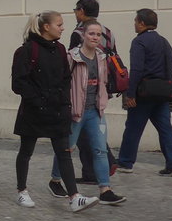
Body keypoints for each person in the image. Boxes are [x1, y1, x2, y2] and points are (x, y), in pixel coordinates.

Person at [10, 10, 99, 212]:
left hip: (58, 111)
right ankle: (22, 190)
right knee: (26, 151)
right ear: (46, 27)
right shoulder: (26, 51)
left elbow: (66, 78)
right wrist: (38, 101)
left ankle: (74, 197)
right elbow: (19, 83)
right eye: (59, 25)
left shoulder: (59, 49)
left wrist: (64, 103)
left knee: (64, 153)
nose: (62, 28)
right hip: (33, 111)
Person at [50, 18, 125, 205]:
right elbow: (61, 83)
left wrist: (103, 100)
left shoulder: (101, 57)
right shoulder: (71, 57)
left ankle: (105, 190)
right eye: (91, 33)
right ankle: (55, 180)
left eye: (98, 34)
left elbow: (103, 82)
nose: (95, 37)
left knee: (100, 150)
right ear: (83, 35)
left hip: (95, 112)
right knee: (67, 148)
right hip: (75, 112)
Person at [116, 8, 172, 177]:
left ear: (142, 23)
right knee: (165, 128)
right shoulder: (164, 41)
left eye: (136, 21)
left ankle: (125, 162)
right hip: (163, 93)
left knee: (133, 128)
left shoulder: (139, 42)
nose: (134, 24)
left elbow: (136, 69)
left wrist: (130, 94)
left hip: (144, 93)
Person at [68, 0, 118, 183]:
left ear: (81, 11)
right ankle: (103, 164)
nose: (75, 13)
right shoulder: (108, 32)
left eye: (76, 10)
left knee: (81, 135)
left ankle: (92, 171)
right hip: (102, 88)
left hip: (82, 90)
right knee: (95, 129)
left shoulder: (79, 32)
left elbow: (72, 61)